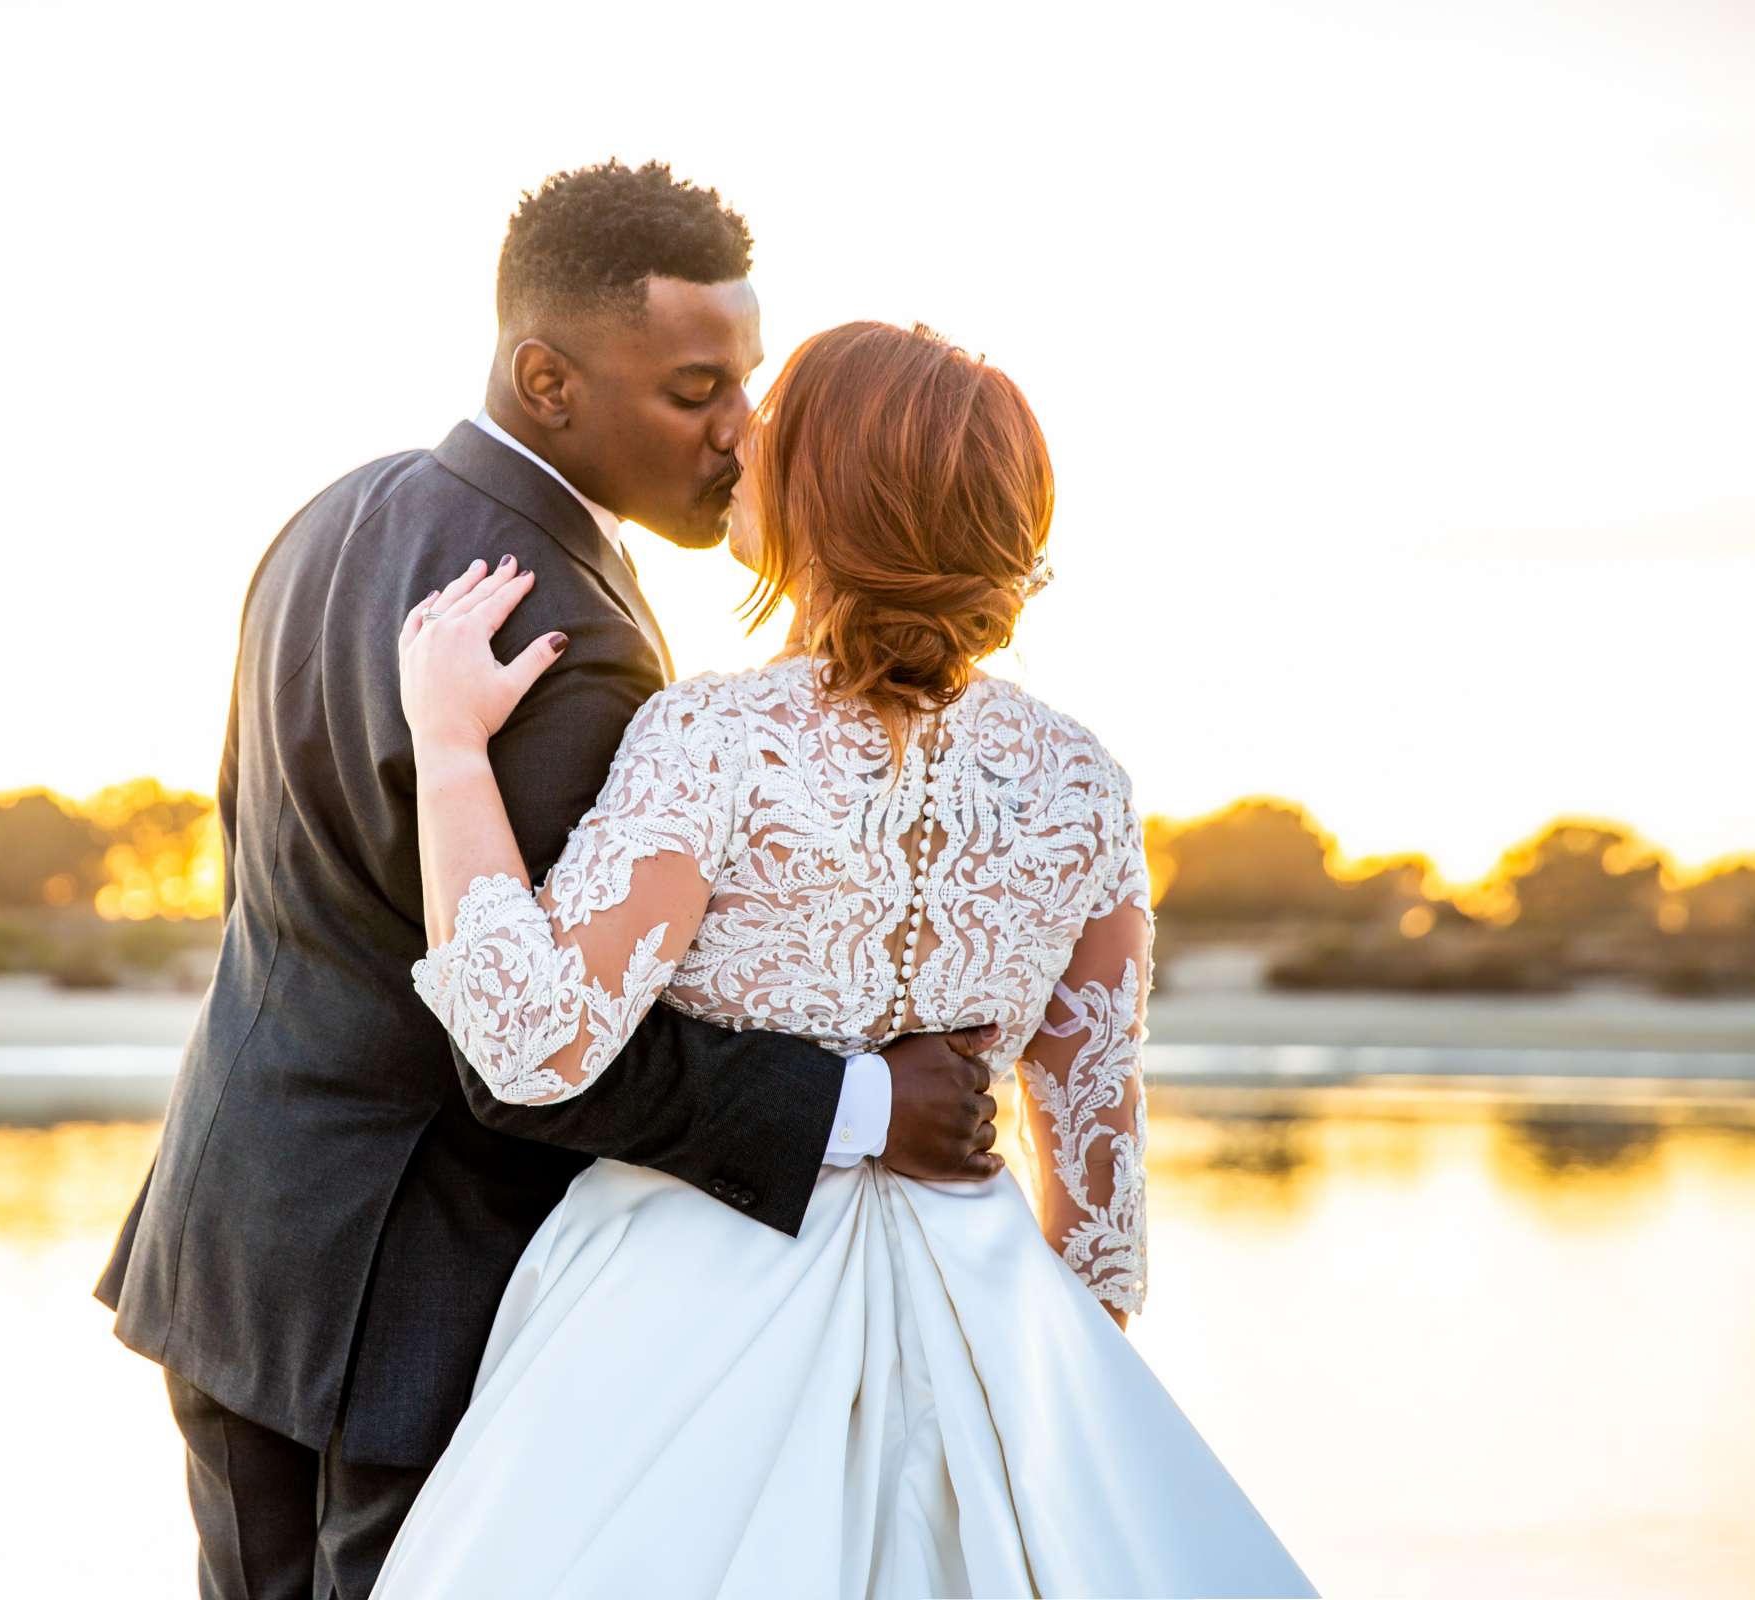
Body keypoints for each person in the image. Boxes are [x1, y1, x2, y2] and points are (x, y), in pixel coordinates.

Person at [92, 160, 1006, 1600]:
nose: (741, 431)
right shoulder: (560, 634)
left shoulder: (334, 518)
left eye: (748, 381)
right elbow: (538, 1047)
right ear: (549, 377)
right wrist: (870, 1101)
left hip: (234, 1232)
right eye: (696, 390)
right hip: (403, 1293)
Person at [375, 320, 1321, 1597]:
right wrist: (1016, 1412)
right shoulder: (1084, 786)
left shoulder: (716, 740)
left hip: (678, 1315)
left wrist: (447, 749)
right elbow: (1098, 1218)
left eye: (776, 434)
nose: (743, 444)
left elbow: (535, 1044)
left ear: (827, 497)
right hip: (982, 1307)